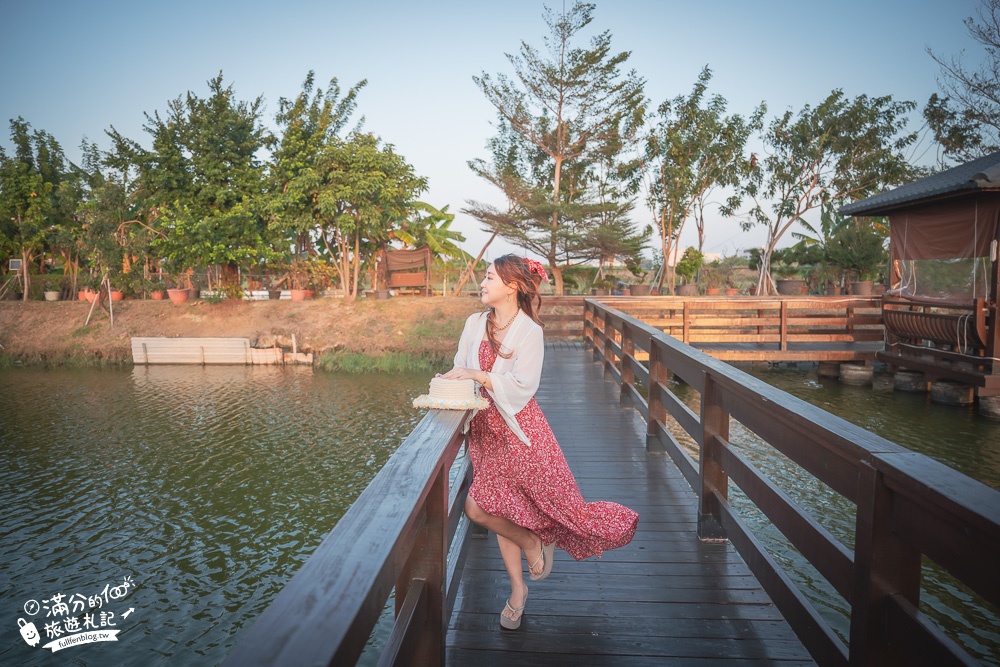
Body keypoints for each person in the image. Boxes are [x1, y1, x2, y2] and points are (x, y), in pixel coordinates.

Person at [438, 254, 638, 631]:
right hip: (485, 436)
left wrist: (474, 373)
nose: (482, 283)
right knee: (488, 508)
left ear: (512, 286)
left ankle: (532, 544)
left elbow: (522, 387)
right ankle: (518, 588)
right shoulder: (473, 323)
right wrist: (449, 381)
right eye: (484, 277)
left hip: (520, 434)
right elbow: (460, 369)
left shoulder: (529, 331)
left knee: (491, 508)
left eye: (489, 277)